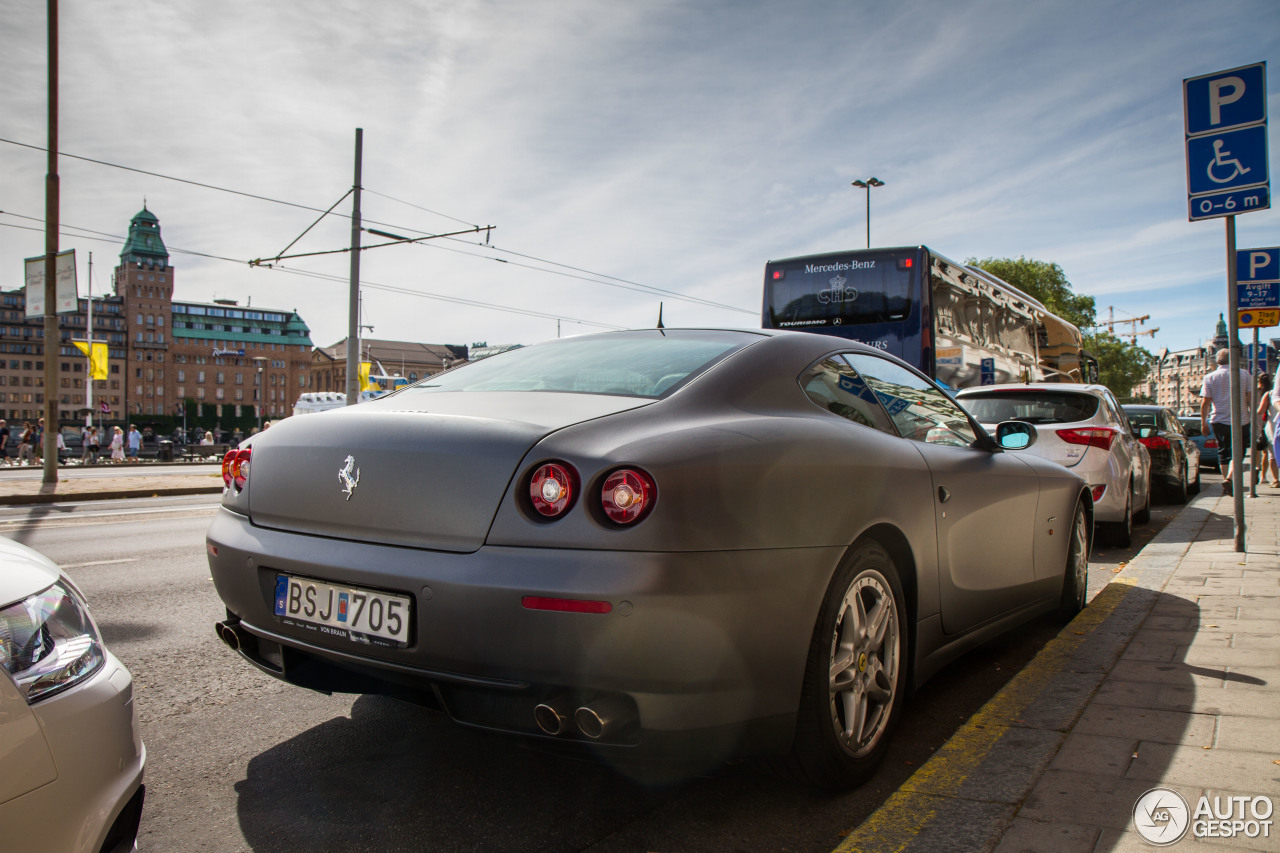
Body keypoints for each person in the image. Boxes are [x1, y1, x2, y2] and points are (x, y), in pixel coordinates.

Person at [1199, 348, 1251, 495]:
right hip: (1241, 420)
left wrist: (1203, 422)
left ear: (1217, 360)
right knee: (1237, 453)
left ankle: (1227, 483)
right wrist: (1254, 417)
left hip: (1218, 420)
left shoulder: (1210, 377)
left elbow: (1205, 402)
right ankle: (1229, 479)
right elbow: (1250, 398)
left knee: (1223, 451)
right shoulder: (1244, 374)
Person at [1260, 372, 1280, 487]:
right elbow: (1276, 397)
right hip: (1274, 425)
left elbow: (1259, 411)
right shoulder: (1270, 394)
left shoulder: (1267, 394)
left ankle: (1275, 479)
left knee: (1270, 454)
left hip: (1270, 425)